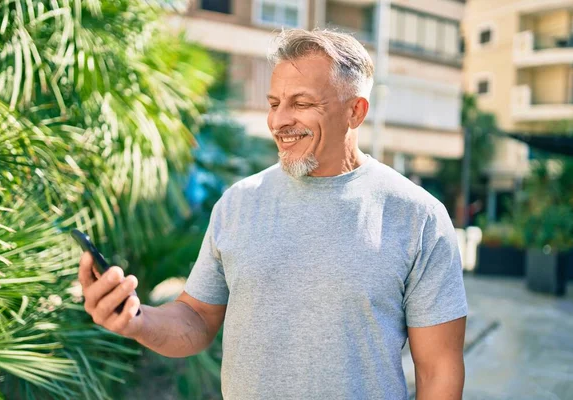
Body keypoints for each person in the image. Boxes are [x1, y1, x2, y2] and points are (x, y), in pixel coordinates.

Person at [78, 29, 468, 400]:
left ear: (355, 112)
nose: (280, 121)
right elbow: (196, 319)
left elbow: (438, 369)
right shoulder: (238, 203)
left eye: (301, 103)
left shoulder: (418, 217)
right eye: (274, 103)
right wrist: (136, 319)